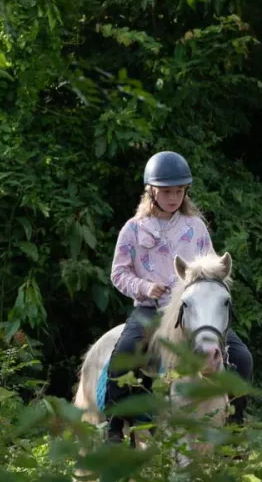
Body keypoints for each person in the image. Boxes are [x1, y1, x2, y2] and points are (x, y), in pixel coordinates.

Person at [106, 151, 254, 441]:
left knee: (242, 357)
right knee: (125, 351)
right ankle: (114, 427)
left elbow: (212, 269)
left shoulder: (195, 227)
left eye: (179, 191)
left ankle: (235, 423)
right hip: (152, 309)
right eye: (166, 191)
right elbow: (118, 274)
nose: (173, 197)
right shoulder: (133, 229)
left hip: (193, 312)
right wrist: (145, 287)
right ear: (152, 191)